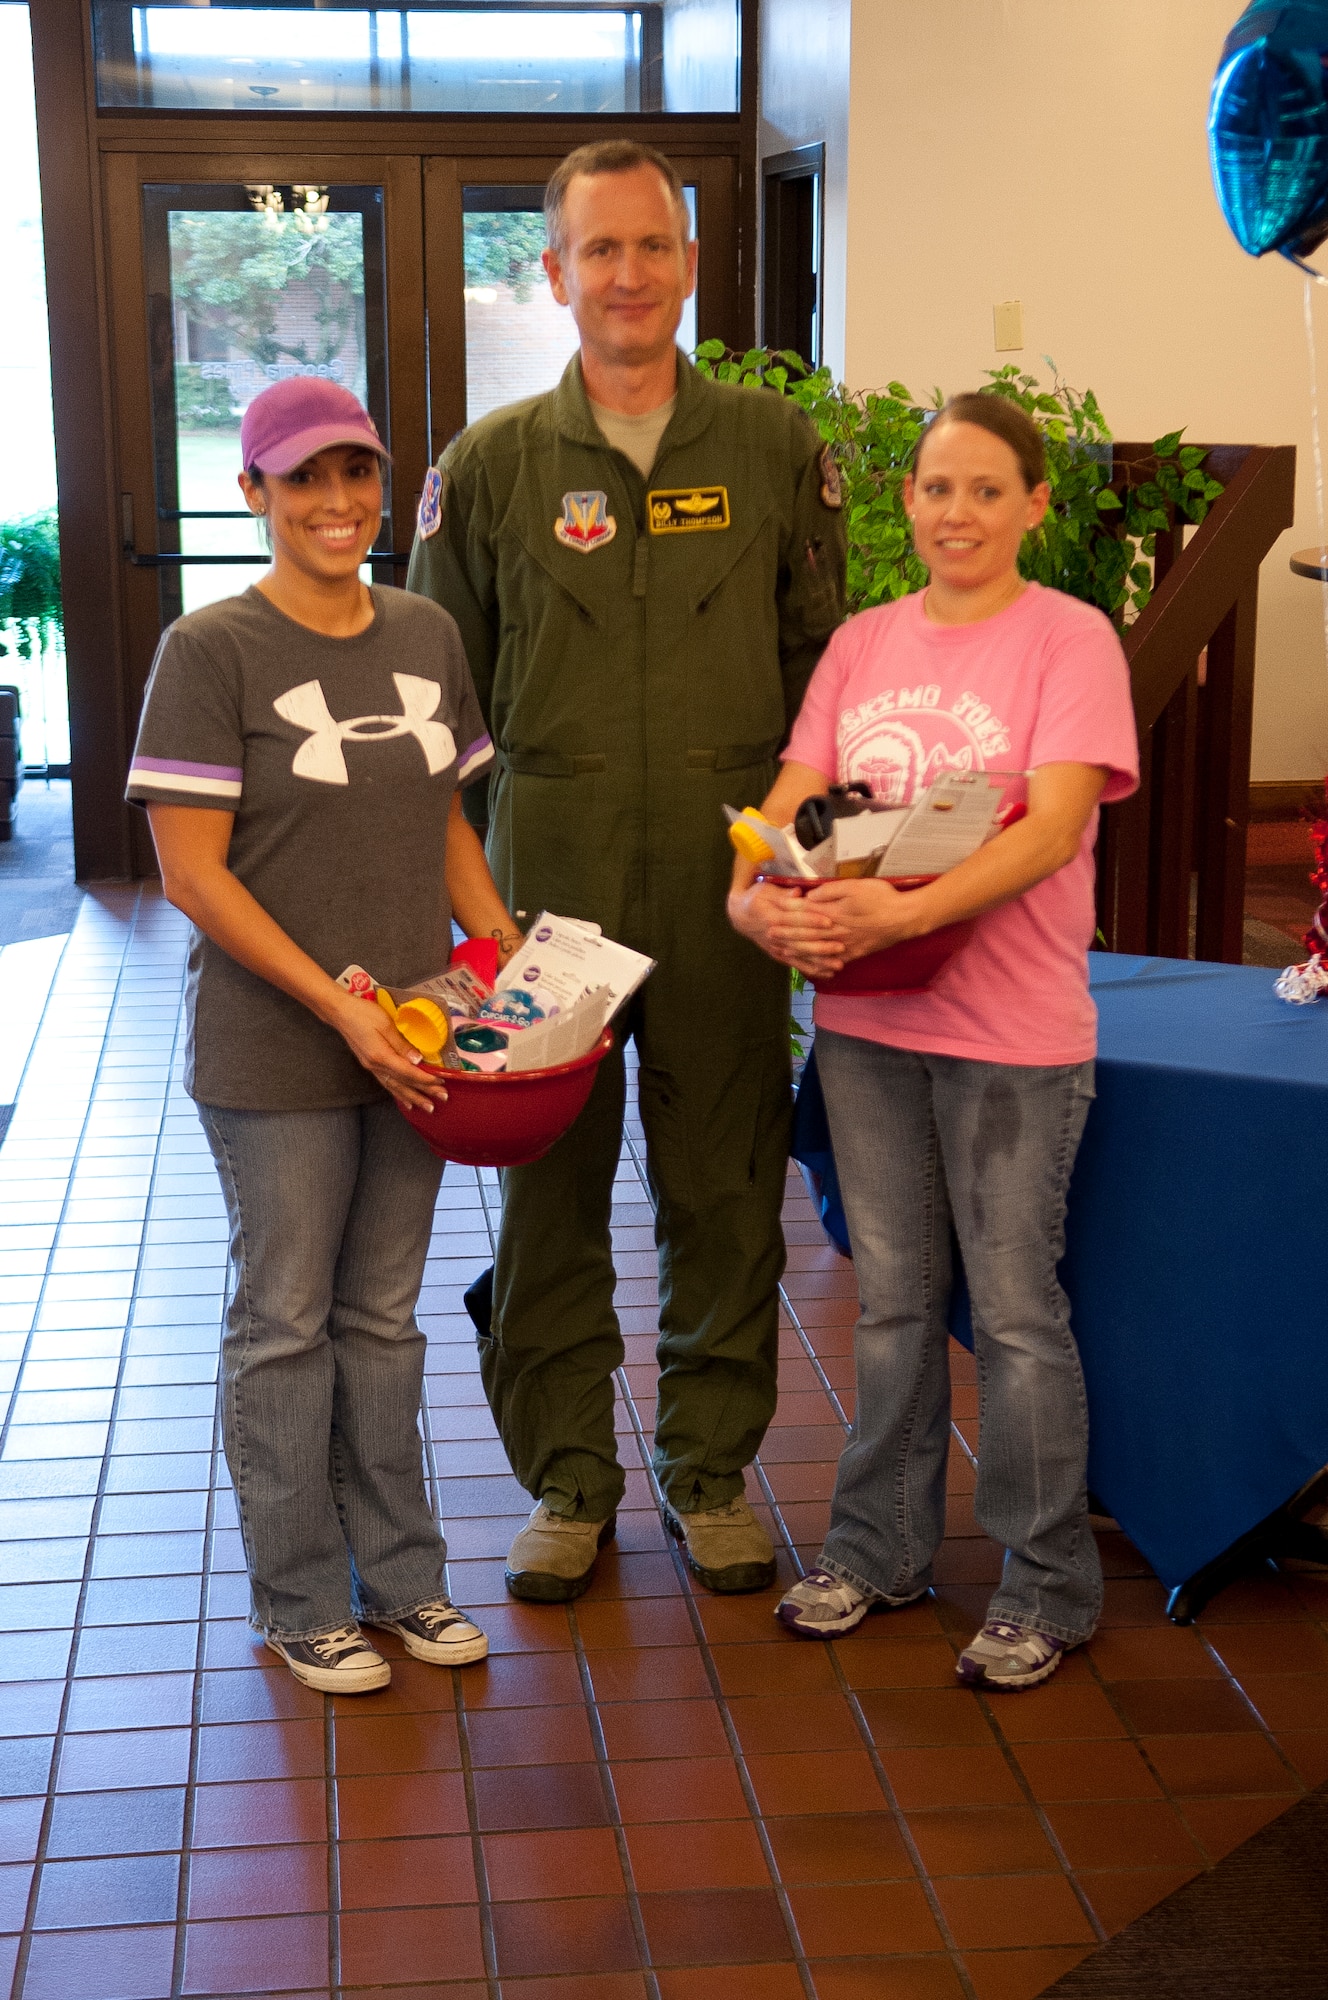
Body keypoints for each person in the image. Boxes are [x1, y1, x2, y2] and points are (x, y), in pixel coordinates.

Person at [409, 140, 846, 1602]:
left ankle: (709, 1468)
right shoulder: (489, 468)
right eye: (599, 250)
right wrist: (465, 915)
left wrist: (809, 872)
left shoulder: (778, 453)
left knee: (726, 1181)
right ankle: (569, 1479)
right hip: (547, 886)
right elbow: (435, 717)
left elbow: (823, 685)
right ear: (555, 273)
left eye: (651, 246)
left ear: (687, 265)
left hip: (729, 889)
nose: (629, 275)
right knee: (550, 1188)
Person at [729, 394, 1139, 1689]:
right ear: (904, 502)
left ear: (1033, 505)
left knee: (1016, 1316)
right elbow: (797, 808)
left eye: (983, 489)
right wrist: (756, 902)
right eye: (934, 488)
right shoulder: (860, 644)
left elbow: (1049, 830)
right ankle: (878, 1552)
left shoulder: (1069, 641)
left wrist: (896, 906)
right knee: (894, 1304)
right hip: (862, 1023)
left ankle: (1046, 1588)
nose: (954, 512)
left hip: (1013, 1033)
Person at [126, 377, 522, 1693]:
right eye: (304, 480)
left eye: (355, 474)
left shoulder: (421, 632)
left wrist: (504, 959)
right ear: (254, 494)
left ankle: (402, 1582)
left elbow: (446, 829)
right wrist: (335, 1004)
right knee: (286, 1319)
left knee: (385, 1317)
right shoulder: (211, 651)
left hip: (415, 1036)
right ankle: (303, 1599)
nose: (336, 503)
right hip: (278, 1049)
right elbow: (192, 873)